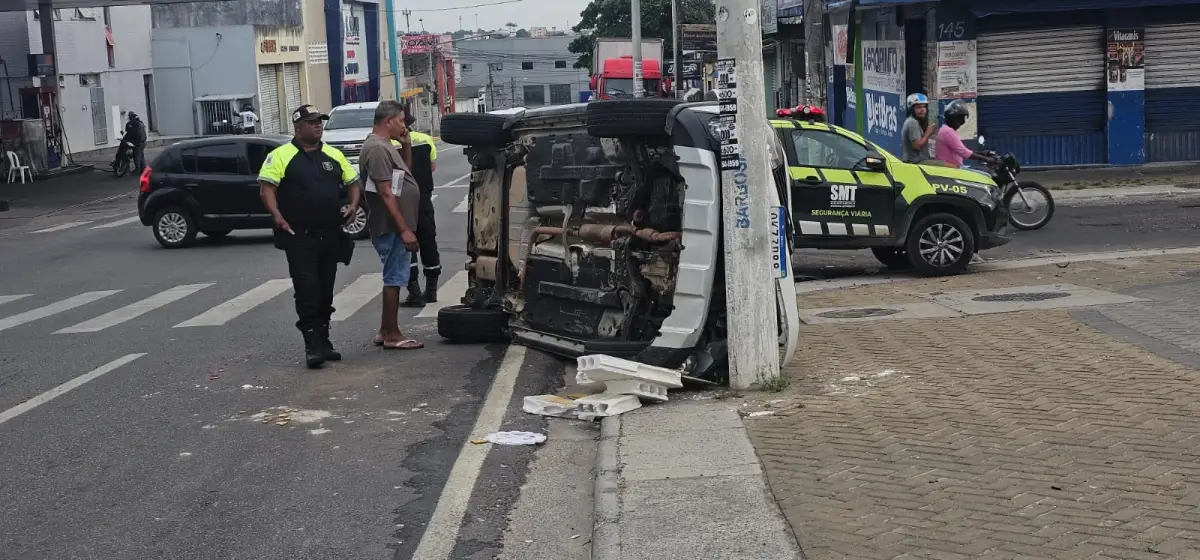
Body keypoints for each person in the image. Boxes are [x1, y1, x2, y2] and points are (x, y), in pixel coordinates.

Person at [258, 104, 362, 368]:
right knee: (307, 289)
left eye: (320, 121)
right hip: (299, 236)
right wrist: (277, 216)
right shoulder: (281, 155)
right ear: (298, 127)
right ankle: (311, 343)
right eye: (312, 122)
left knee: (326, 289)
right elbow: (267, 189)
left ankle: (324, 339)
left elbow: (352, 182)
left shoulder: (333, 155)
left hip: (330, 234)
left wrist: (353, 205)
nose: (318, 125)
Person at [359, 100, 424, 350]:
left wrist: (406, 146)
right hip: (391, 225)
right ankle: (392, 335)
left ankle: (385, 329)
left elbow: (402, 176)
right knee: (394, 277)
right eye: (401, 120)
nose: (404, 125)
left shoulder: (386, 146)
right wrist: (404, 229)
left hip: (395, 224)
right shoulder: (377, 149)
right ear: (388, 121)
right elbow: (386, 192)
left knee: (396, 275)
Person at [399, 104, 441, 307]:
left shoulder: (389, 144)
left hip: (402, 201)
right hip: (424, 198)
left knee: (407, 246)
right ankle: (431, 290)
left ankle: (414, 291)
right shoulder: (425, 140)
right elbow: (433, 166)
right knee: (428, 241)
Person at [934, 100, 997, 169]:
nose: (961, 122)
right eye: (959, 118)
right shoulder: (947, 131)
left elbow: (961, 150)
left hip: (955, 168)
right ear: (952, 118)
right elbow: (963, 152)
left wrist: (983, 153)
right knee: (984, 175)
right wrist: (986, 159)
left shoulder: (946, 129)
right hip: (951, 170)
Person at [901, 93, 939, 164]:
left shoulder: (914, 121)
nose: (922, 110)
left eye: (924, 107)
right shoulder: (912, 123)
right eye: (918, 107)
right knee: (950, 165)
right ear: (912, 109)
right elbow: (917, 145)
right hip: (916, 162)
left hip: (920, 160)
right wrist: (928, 133)